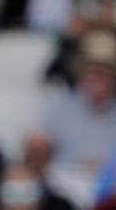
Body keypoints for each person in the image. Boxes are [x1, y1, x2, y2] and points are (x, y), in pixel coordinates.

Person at [40, 27, 116, 172]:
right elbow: (43, 162)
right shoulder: (58, 108)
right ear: (81, 73)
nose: (98, 78)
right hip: (64, 187)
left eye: (105, 73)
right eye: (93, 71)